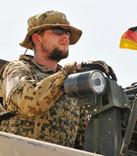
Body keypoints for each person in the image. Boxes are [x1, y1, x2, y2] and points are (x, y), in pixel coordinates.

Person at [0, 10, 116, 149]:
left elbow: (81, 142)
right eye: (58, 30)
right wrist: (69, 71)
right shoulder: (18, 69)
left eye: (67, 33)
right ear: (37, 38)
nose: (65, 37)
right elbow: (28, 102)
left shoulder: (72, 84)